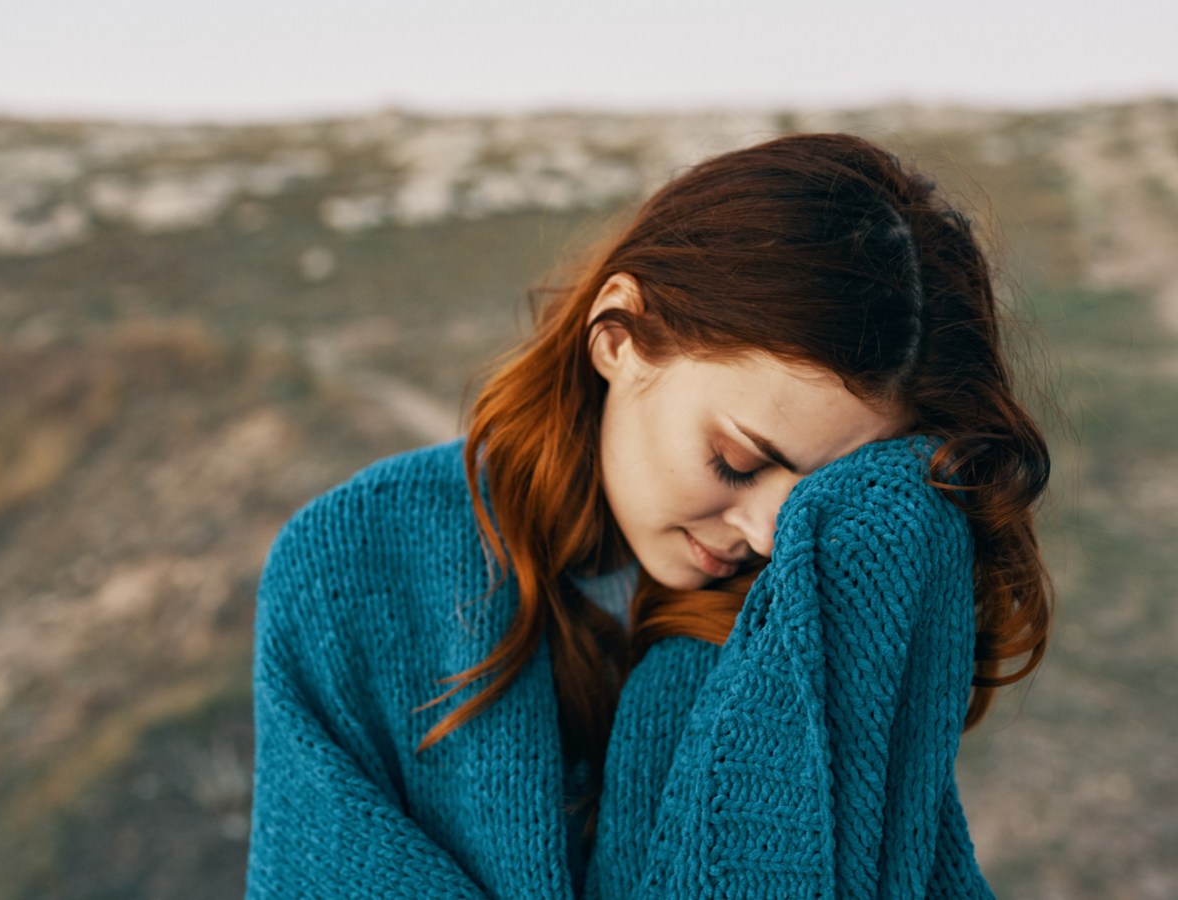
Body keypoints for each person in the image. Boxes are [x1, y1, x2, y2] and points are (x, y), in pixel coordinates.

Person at [245, 133, 1051, 898]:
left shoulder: (807, 621)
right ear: (618, 336)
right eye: (737, 460)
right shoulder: (352, 566)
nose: (769, 535)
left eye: (819, 503)